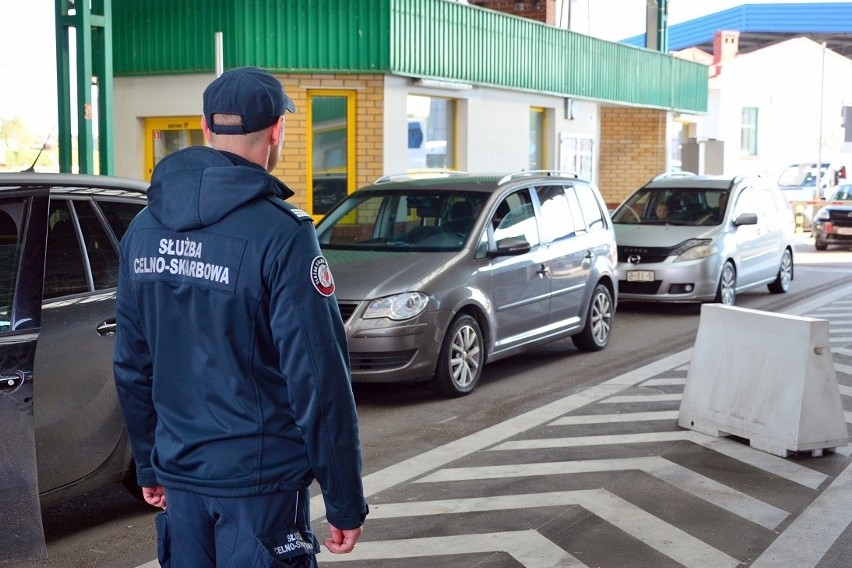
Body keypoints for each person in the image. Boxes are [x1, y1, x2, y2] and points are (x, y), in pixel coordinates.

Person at [113, 66, 368, 567]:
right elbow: (317, 379)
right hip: (259, 487)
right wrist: (343, 498)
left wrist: (150, 465)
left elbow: (131, 363)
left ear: (206, 127)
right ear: (277, 131)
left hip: (181, 479)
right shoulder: (283, 235)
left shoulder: (143, 229)